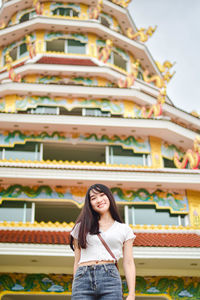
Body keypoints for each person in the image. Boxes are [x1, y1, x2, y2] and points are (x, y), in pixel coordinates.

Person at [70, 183, 136, 299]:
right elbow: (77, 261)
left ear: (109, 197)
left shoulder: (124, 229)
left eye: (102, 195)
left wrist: (131, 293)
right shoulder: (81, 228)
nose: (99, 200)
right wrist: (75, 284)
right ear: (89, 204)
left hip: (110, 279)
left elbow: (129, 262)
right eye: (93, 198)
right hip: (82, 279)